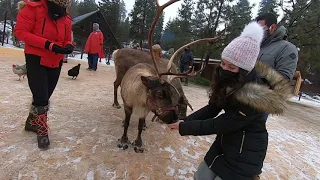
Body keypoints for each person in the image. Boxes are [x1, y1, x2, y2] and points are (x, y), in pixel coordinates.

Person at [168, 22, 292, 180]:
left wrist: (184, 128)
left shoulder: (257, 97)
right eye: (223, 63)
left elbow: (222, 123)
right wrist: (184, 120)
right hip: (225, 143)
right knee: (201, 177)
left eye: (232, 67)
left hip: (245, 154)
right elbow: (212, 109)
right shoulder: (229, 82)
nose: (224, 69)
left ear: (245, 70)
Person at [14, 0, 73, 149]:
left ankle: (31, 122)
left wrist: (69, 46)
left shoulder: (65, 17)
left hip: (56, 59)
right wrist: (48, 44)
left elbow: (67, 38)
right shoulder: (33, 9)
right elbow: (20, 32)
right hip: (36, 57)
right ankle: (41, 128)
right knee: (41, 96)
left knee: (46, 95)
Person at [256, 13, 299, 80]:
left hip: (264, 89)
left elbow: (283, 80)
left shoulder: (286, 48)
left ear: (272, 27)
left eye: (261, 28)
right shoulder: (257, 46)